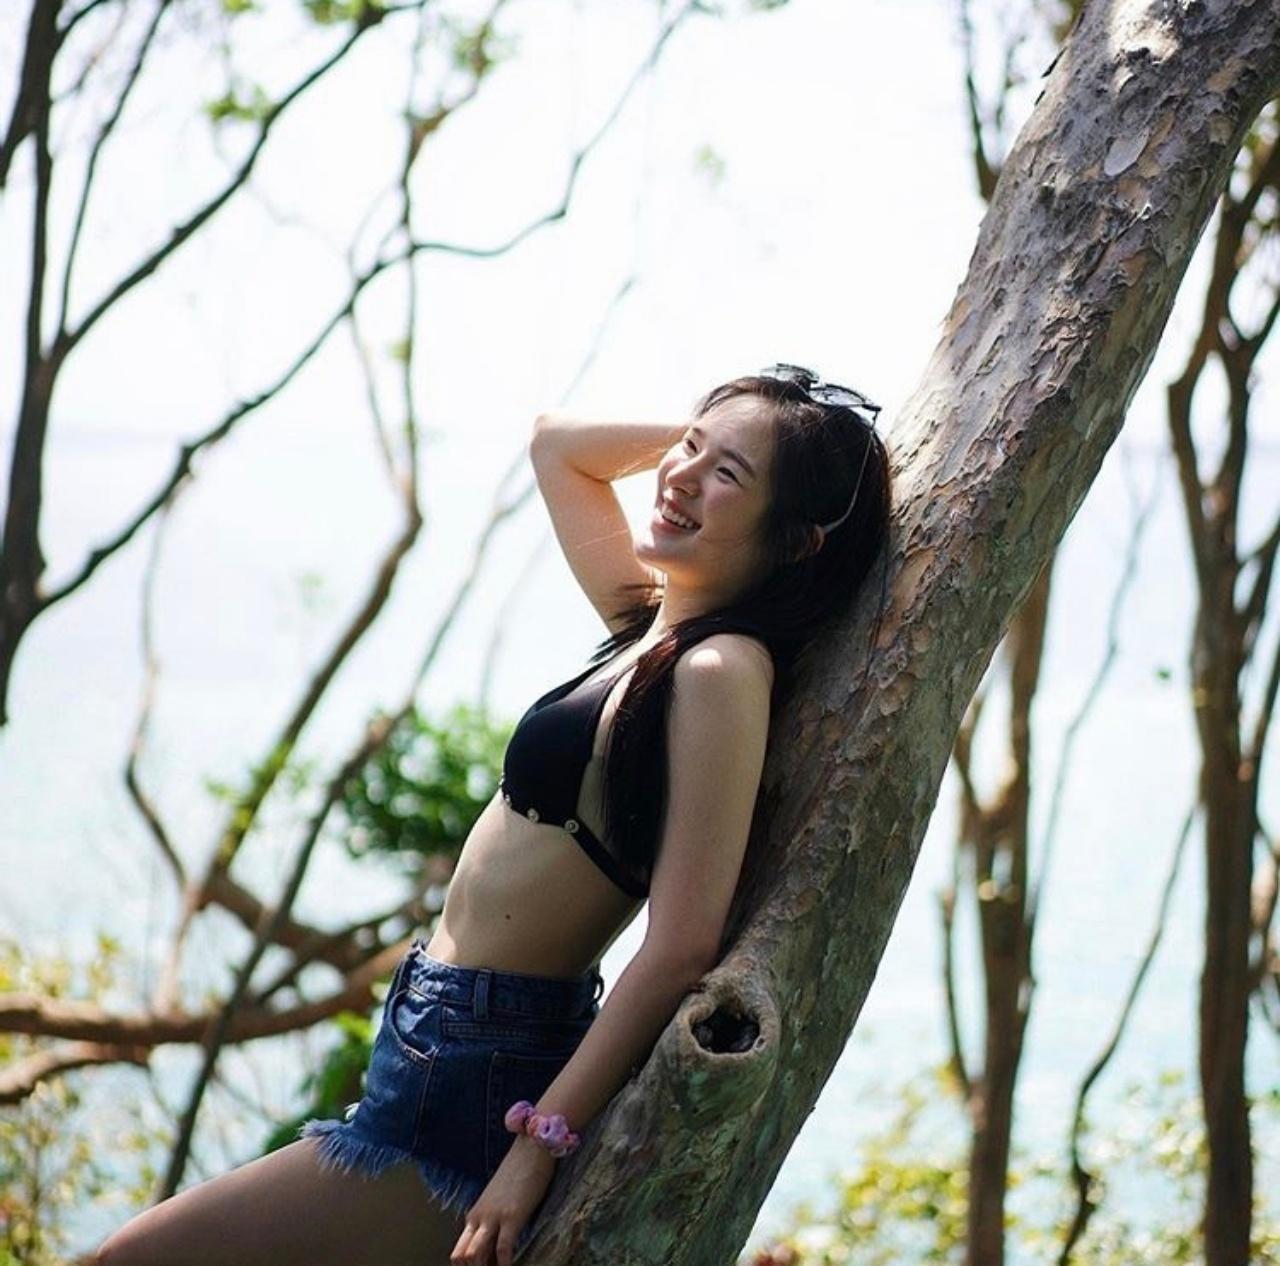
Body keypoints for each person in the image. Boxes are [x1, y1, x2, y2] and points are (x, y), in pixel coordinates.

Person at [93, 363, 893, 1266]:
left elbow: (680, 946)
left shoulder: (718, 671)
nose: (681, 475)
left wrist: (536, 1146)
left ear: (796, 542)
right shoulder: (651, 633)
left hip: (486, 1083)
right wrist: (723, 436)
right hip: (434, 1042)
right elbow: (558, 447)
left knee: (132, 1260)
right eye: (689, 450)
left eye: (728, 475)